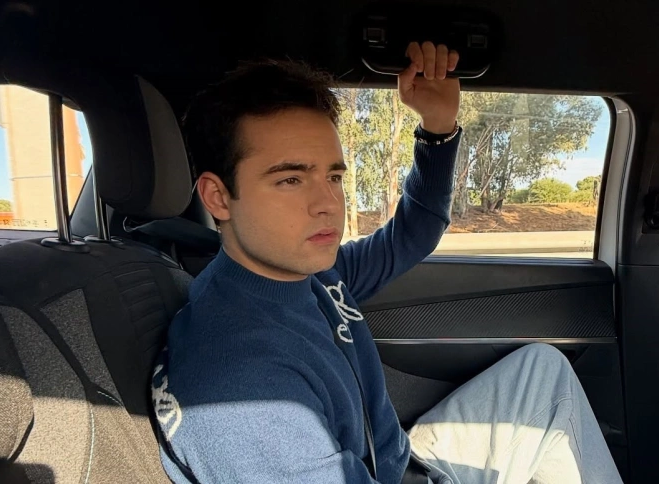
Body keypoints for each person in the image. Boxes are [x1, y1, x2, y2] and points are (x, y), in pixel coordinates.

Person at [151, 40, 623, 484]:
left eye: (333, 177)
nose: (327, 204)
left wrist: (438, 127)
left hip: (398, 461)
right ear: (218, 197)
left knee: (544, 370)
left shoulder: (309, 275)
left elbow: (414, 231)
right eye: (290, 180)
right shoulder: (243, 393)